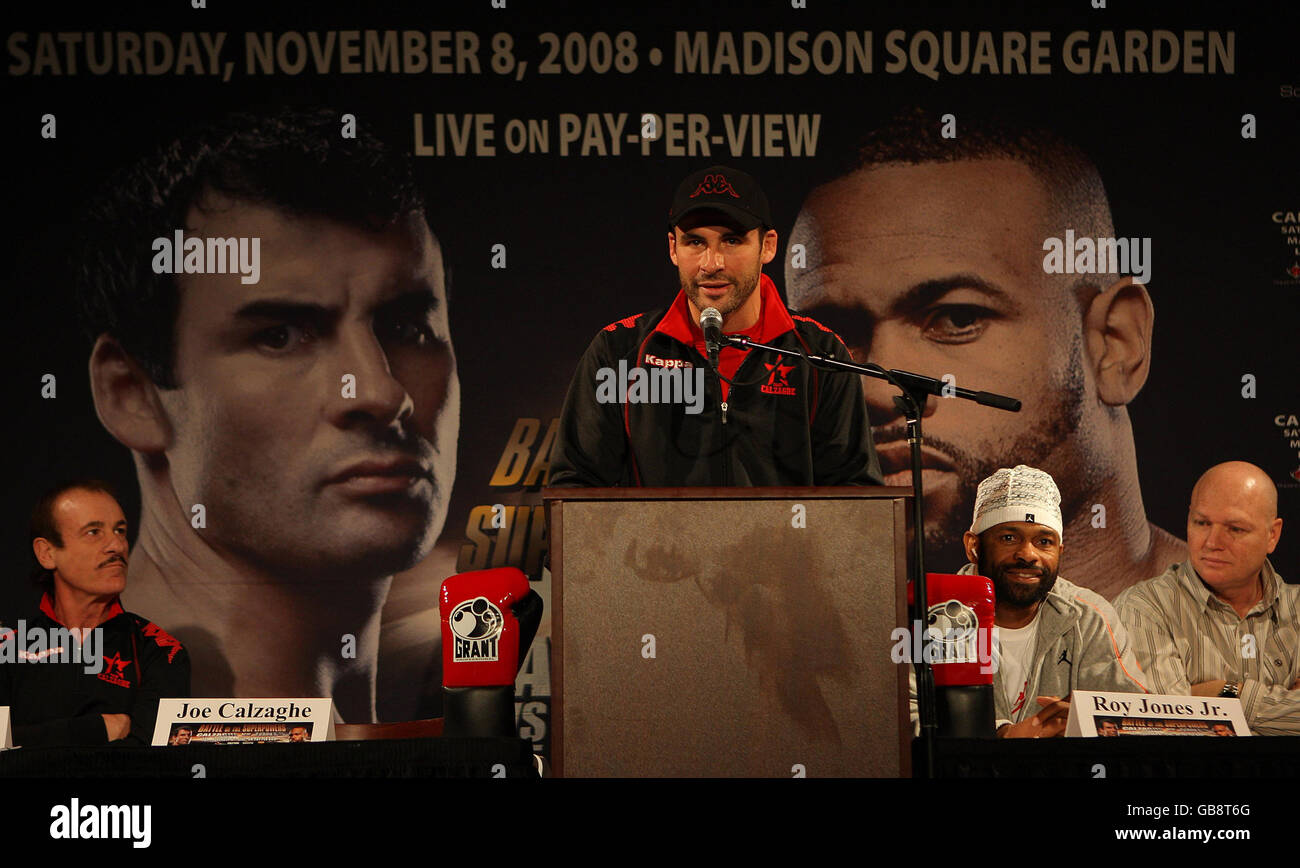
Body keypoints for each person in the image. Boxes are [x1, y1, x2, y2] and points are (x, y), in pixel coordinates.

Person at [75, 109, 459, 722]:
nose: (381, 393)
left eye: (408, 326)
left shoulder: (459, 686)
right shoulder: (76, 722)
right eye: (281, 336)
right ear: (132, 394)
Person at [786, 108, 1184, 599]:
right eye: (833, 337)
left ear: (1114, 345)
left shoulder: (1259, 642)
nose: (876, 389)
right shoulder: (783, 657)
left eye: (956, 319)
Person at [549, 165, 880, 487]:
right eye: (695, 242)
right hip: (656, 546)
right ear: (672, 248)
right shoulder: (619, 352)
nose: (712, 263)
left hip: (784, 546)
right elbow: (575, 490)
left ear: (768, 246)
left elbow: (855, 497)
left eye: (732, 241)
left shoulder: (820, 354)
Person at [924, 465, 1147, 738]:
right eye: (1009, 538)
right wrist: (1002, 736)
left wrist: (1087, 723)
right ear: (974, 546)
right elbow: (901, 720)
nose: (1028, 554)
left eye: (1044, 541)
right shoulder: (930, 614)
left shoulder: (1089, 617)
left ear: (1060, 551)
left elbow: (1134, 719)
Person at [0, 481, 190, 747]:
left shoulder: (161, 651)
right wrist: (99, 728)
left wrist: (29, 740)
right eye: (93, 532)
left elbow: (144, 762)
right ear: (47, 553)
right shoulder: (7, 648)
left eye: (120, 530)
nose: (117, 545)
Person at [1115, 461, 1298, 735]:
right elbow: (1168, 729)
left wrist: (1226, 694)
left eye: (1235, 528)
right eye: (1201, 523)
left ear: (1272, 535)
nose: (1212, 542)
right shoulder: (1144, 608)